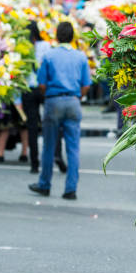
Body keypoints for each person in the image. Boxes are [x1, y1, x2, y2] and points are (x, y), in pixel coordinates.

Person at [29, 22, 91, 200]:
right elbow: (86, 85)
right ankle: (70, 189)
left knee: (49, 145)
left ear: (56, 36)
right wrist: (76, 96)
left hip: (53, 101)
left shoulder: (49, 56)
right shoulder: (81, 57)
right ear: (73, 37)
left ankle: (44, 184)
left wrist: (48, 94)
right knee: (73, 148)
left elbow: (41, 84)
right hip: (73, 101)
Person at [22, 22, 51, 174]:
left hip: (30, 89)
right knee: (49, 124)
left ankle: (35, 162)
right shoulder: (45, 46)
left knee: (33, 127)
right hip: (43, 88)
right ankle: (53, 157)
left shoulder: (23, 48)